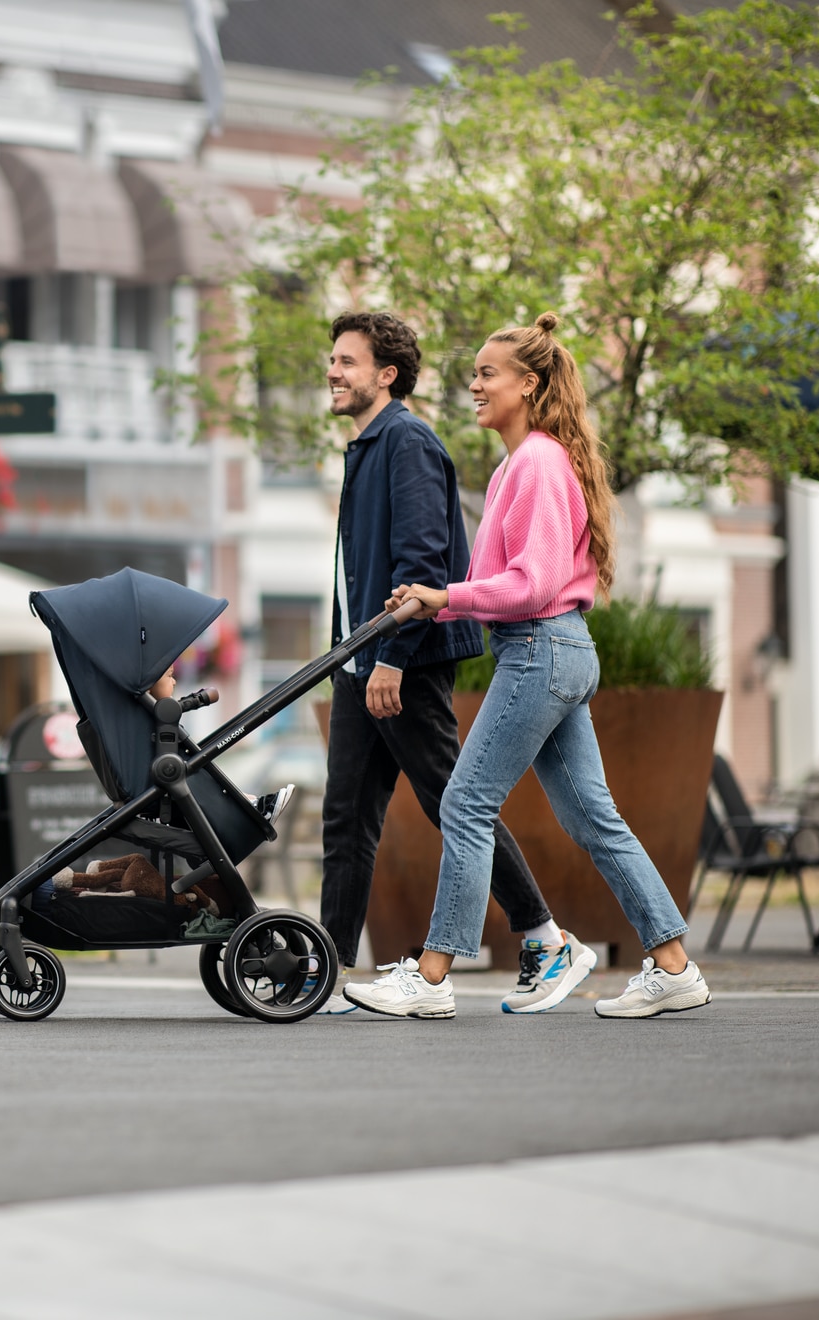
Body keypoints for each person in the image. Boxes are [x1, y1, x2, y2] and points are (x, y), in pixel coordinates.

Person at [364, 312, 712, 1020]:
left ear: (529, 384)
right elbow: (512, 584)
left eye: (488, 374)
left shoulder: (539, 463)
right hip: (548, 649)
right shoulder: (518, 466)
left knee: (465, 803)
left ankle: (430, 980)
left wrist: (445, 595)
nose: (474, 385)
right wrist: (440, 603)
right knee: (594, 821)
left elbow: (533, 582)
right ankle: (674, 965)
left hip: (540, 649)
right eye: (474, 374)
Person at [320, 311, 596, 1018]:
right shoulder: (366, 446)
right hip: (362, 659)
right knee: (347, 817)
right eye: (333, 360)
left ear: (386, 374)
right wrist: (352, 656)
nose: (333, 371)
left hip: (398, 659)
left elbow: (421, 561)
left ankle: (542, 934)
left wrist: (392, 660)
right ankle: (325, 968)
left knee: (457, 801)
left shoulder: (406, 442)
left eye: (347, 362)